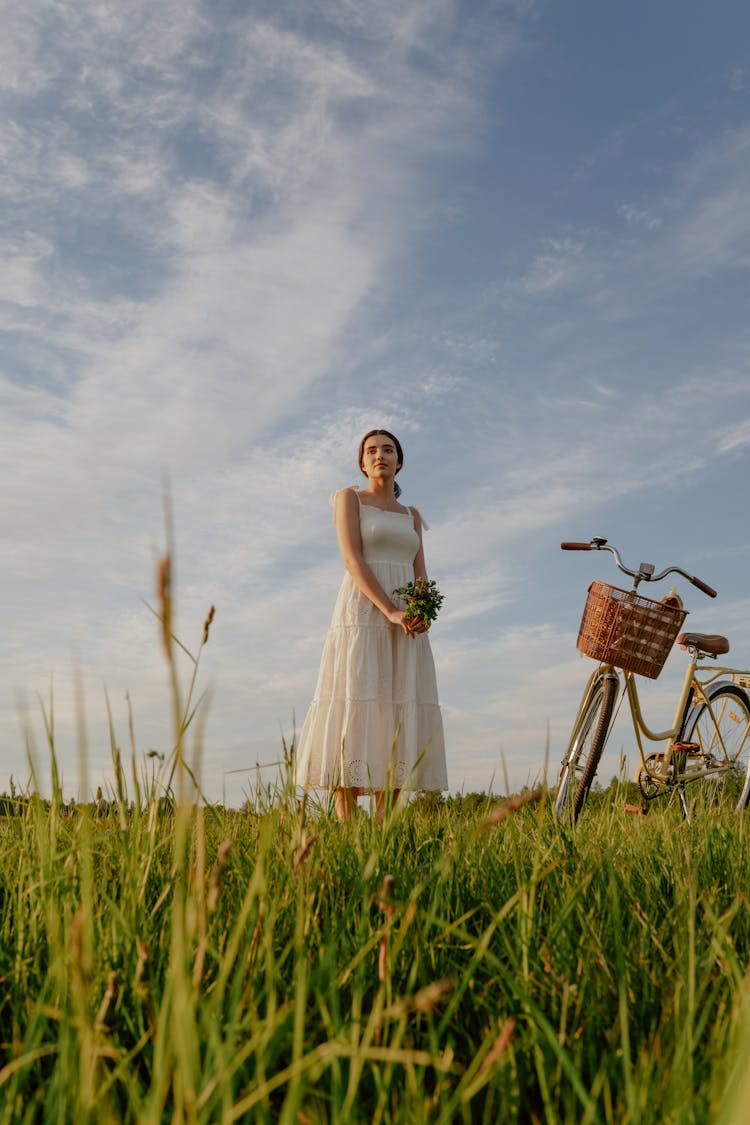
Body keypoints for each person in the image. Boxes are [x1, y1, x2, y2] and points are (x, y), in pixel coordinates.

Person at [294, 428, 447, 821]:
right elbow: (351, 560)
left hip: (405, 623)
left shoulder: (412, 515)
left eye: (388, 449)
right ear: (362, 463)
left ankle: (385, 827)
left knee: (396, 708)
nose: (380, 455)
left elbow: (420, 571)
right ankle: (346, 827)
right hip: (363, 613)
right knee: (354, 704)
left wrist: (421, 611)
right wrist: (389, 610)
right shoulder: (350, 499)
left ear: (400, 461)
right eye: (372, 451)